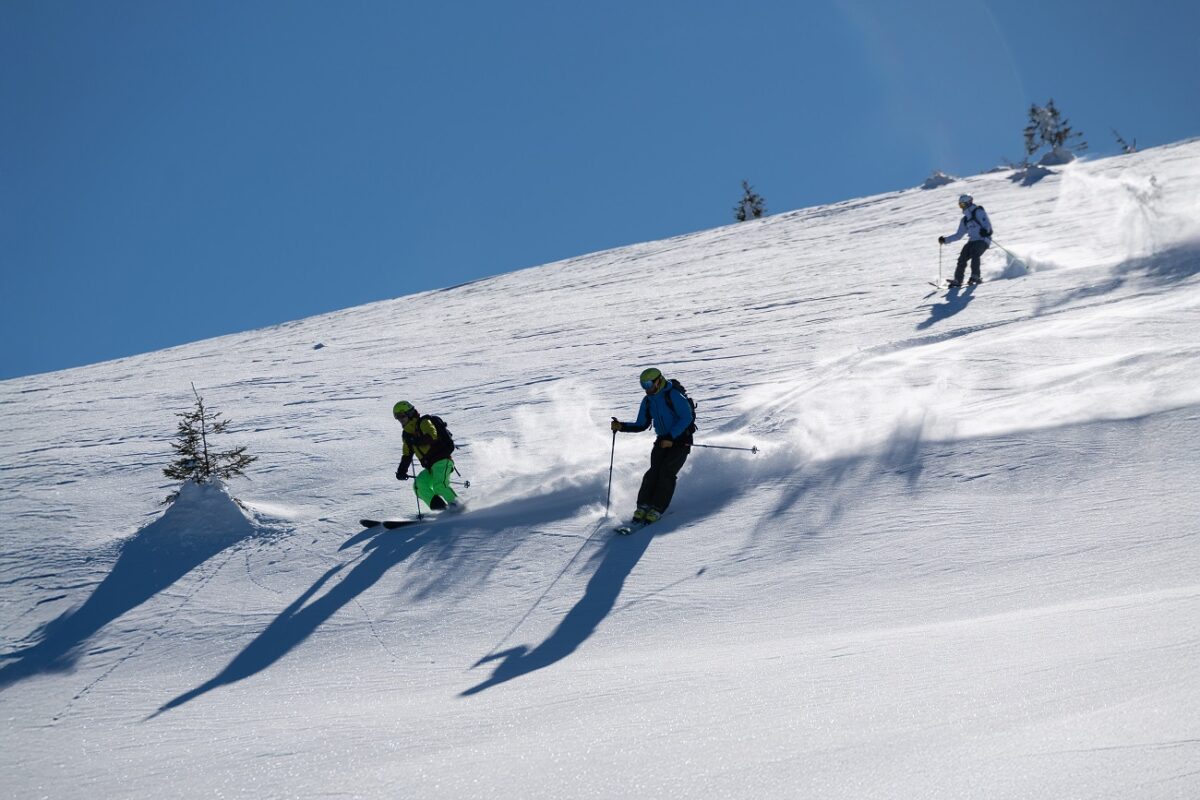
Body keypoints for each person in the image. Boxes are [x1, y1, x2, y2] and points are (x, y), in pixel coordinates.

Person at [610, 367, 696, 524]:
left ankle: (657, 508)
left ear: (659, 380)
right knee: (653, 472)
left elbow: (686, 417)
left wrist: (671, 437)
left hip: (681, 440)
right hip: (662, 441)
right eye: (643, 385)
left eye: (648, 384)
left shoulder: (673, 395)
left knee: (666, 473)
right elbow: (642, 424)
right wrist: (621, 426)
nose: (646, 388)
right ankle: (643, 506)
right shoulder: (648, 400)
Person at [393, 401, 459, 511]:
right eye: (398, 418)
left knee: (440, 486)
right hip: (430, 467)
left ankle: (459, 508)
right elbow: (407, 455)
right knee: (419, 485)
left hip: (442, 461)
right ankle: (441, 510)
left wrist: (415, 440)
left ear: (409, 414)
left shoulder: (424, 422)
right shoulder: (407, 434)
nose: (400, 420)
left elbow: (432, 436)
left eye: (402, 416)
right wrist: (401, 471)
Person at [938, 194, 993, 287]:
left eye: (962, 205)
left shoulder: (978, 212)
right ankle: (958, 280)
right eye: (960, 205)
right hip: (972, 241)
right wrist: (945, 240)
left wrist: (986, 231)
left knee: (975, 254)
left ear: (968, 203)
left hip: (983, 240)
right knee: (962, 258)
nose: (961, 208)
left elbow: (987, 224)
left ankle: (975, 276)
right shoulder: (965, 220)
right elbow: (958, 235)